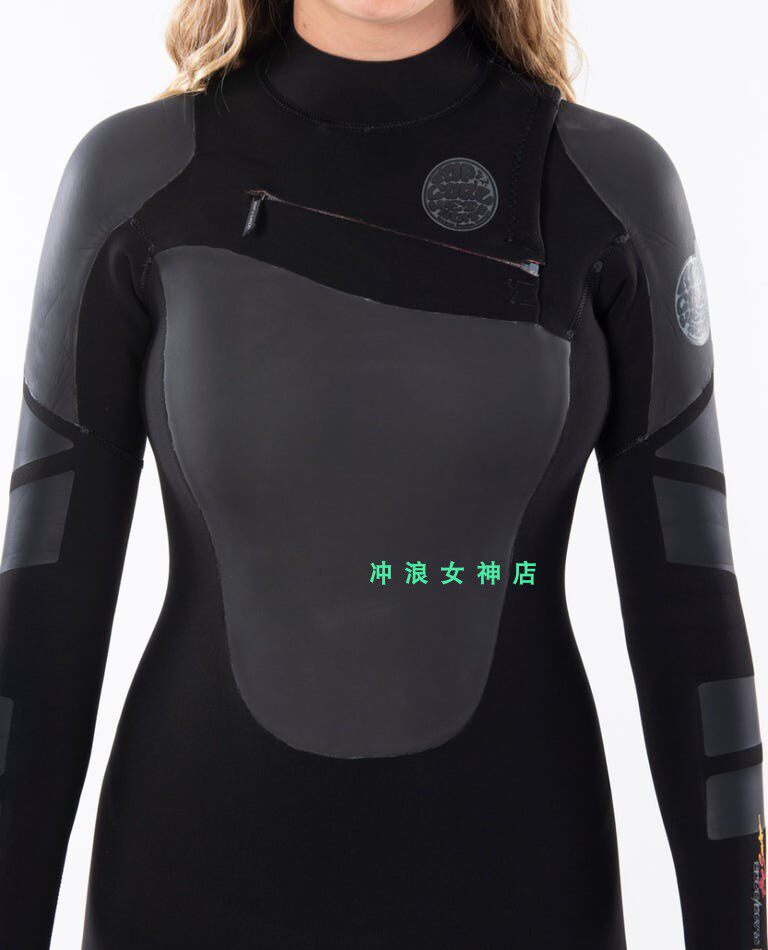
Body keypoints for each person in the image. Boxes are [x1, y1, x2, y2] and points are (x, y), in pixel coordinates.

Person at [0, 0, 764, 946]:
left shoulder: (605, 184)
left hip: (522, 885)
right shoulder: (136, 177)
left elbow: (692, 622)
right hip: (189, 879)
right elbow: (41, 627)